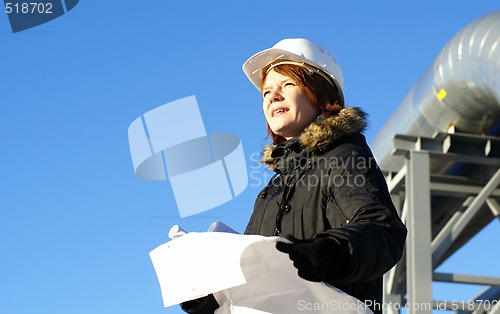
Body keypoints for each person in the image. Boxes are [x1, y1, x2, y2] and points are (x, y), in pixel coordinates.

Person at [182, 38, 407, 314]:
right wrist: (213, 293)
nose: (273, 97)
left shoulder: (343, 156)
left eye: (287, 85)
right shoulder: (271, 191)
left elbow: (383, 231)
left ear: (322, 95)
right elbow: (253, 276)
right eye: (266, 92)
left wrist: (333, 251)